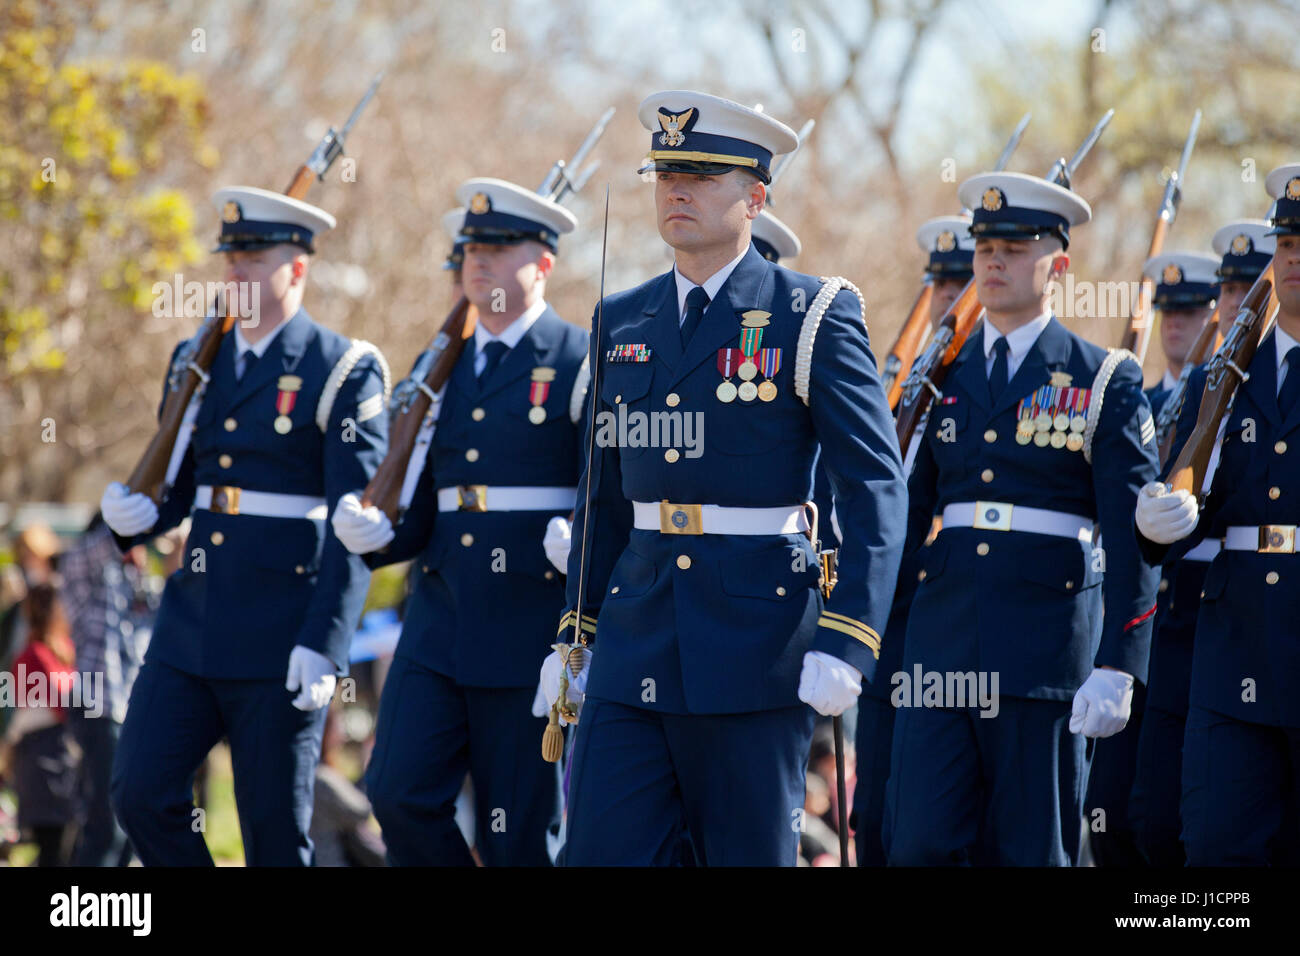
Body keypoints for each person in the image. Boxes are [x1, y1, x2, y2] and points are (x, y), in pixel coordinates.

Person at [540, 90, 906, 866]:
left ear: (754, 196)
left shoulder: (809, 313)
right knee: (599, 852)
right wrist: (577, 633)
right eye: (666, 173)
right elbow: (604, 495)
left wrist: (851, 638)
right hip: (636, 638)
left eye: (702, 176)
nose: (677, 190)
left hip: (755, 643)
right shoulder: (621, 318)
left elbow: (873, 484)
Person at [99, 186, 390, 866]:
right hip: (190, 628)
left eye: (255, 258)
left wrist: (326, 640)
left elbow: (356, 523)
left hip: (282, 631)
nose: (236, 273)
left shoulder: (342, 368)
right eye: (230, 258)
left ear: (298, 268)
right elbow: (184, 483)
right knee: (138, 790)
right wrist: (139, 516)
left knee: (274, 835)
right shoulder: (195, 360)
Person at [885, 171, 1161, 866]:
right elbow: (905, 517)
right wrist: (856, 629)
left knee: (1032, 852)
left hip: (1043, 654)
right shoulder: (940, 375)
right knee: (921, 844)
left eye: (1014, 246)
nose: (995, 261)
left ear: (1058, 266)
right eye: (985, 247)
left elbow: (1131, 535)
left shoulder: (1103, 377)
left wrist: (1119, 664)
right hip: (941, 650)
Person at [332, 178, 588, 866]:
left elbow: (612, 485)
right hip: (440, 620)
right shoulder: (436, 363)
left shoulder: (580, 357)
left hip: (530, 620)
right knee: (396, 794)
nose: (479, 260)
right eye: (473, 246)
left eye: (501, 247)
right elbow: (425, 506)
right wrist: (377, 535)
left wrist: (587, 538)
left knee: (518, 833)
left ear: (545, 263)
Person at [1135, 163, 1300, 865]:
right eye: (1286, 246)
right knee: (1216, 849)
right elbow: (1200, 498)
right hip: (1234, 647)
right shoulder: (1222, 378)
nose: (1293, 261)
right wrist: (1160, 522)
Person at [1084, 252, 1218, 866]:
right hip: (1136, 610)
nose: (1175, 325)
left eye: (1190, 312)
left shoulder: (1210, 401)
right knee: (1112, 807)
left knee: (1171, 813)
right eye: (1168, 313)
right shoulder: (1138, 396)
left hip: (1199, 610)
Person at [853, 213, 976, 866]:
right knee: (874, 815)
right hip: (890, 627)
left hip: (956, 623)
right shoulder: (895, 391)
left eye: (963, 285)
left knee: (941, 827)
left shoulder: (984, 393)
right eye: (941, 285)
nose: (950, 301)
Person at [59, 513, 161, 866]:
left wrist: (179, 554)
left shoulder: (137, 584)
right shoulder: (84, 578)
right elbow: (95, 550)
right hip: (98, 708)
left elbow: (181, 607)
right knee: (107, 823)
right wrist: (133, 522)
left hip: (135, 716)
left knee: (134, 821)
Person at [2, 584, 80, 867]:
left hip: (62, 756)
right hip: (44, 757)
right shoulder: (33, 656)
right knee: (53, 847)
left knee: (66, 846)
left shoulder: (65, 651)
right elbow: (62, 706)